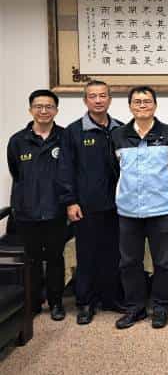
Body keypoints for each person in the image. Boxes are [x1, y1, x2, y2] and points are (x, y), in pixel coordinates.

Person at [111, 86, 168, 329]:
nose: (142, 105)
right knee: (129, 262)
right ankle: (135, 307)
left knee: (163, 262)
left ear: (155, 104)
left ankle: (161, 306)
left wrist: (163, 192)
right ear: (130, 106)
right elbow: (112, 172)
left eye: (147, 101)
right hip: (128, 210)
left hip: (162, 209)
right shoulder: (118, 135)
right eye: (137, 101)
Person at [57, 80, 124, 325]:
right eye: (93, 96)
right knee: (86, 256)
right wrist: (70, 202)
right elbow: (65, 169)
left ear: (110, 99)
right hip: (85, 206)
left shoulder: (120, 129)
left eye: (102, 95)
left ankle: (111, 298)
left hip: (117, 205)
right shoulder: (73, 131)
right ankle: (85, 303)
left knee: (113, 255)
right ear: (85, 100)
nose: (98, 100)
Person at [7, 89, 68, 321]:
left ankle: (56, 303)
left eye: (49, 106)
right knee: (31, 260)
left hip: (56, 210)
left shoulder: (65, 138)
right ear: (30, 109)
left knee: (55, 258)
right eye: (38, 106)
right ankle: (33, 303)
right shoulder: (18, 141)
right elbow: (16, 172)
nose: (44, 111)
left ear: (56, 110)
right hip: (27, 211)